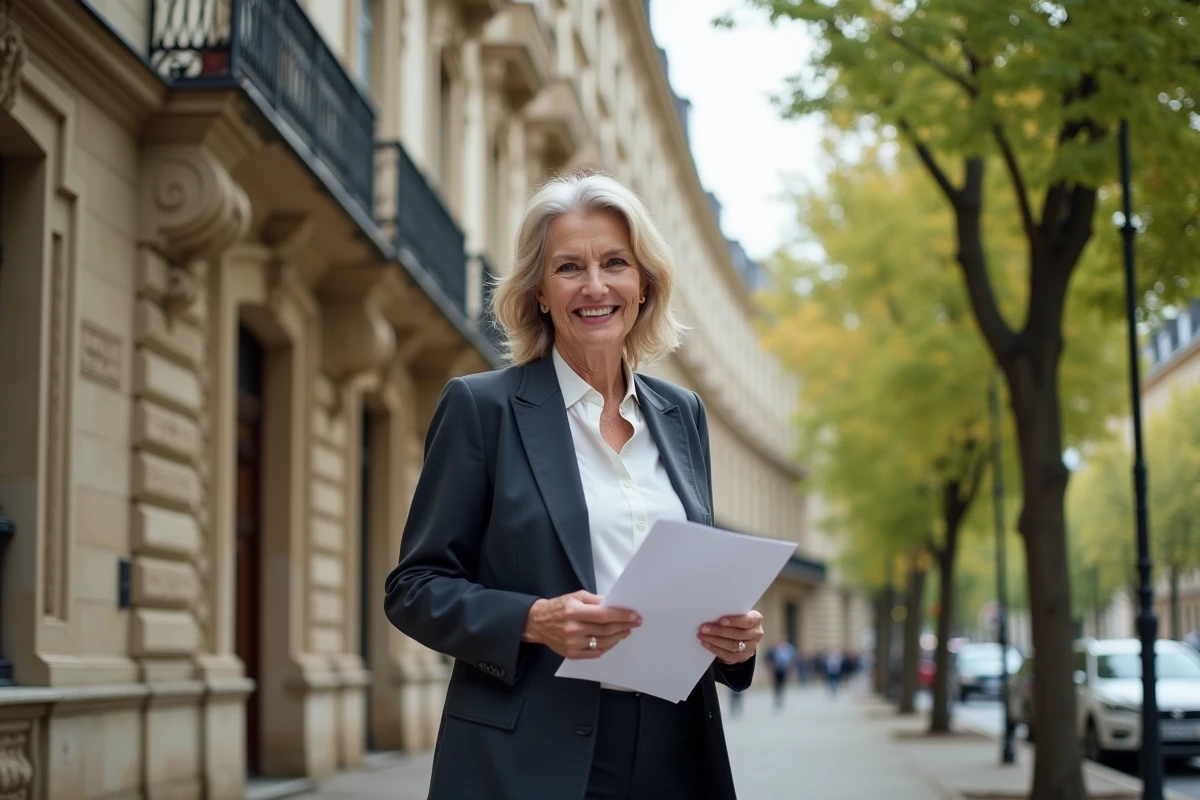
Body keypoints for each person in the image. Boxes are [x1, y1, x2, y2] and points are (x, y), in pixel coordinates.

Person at [384, 172, 763, 800]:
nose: (595, 286)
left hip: (677, 745)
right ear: (538, 291)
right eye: (569, 267)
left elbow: (693, 579)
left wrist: (732, 641)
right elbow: (414, 589)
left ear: (644, 285)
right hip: (533, 751)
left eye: (615, 263)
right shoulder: (483, 409)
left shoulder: (682, 414)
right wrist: (533, 620)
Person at [768, 639, 796, 709]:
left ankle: (781, 698)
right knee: (776, 685)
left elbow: (790, 661)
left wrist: (791, 670)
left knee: (782, 684)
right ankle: (777, 698)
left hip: (783, 670)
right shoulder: (774, 651)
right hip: (776, 671)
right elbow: (771, 661)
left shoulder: (787, 651)